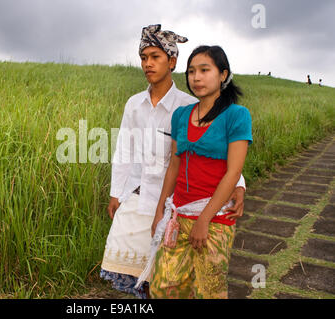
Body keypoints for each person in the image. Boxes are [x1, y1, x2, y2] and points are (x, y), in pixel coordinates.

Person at [99, 25, 247, 299]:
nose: (148, 64)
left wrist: (239, 184)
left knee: (171, 276)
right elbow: (124, 151)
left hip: (173, 203)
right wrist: (115, 193)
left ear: (172, 61)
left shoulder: (190, 104)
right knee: (133, 271)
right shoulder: (135, 104)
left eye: (155, 57)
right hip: (139, 197)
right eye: (144, 57)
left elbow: (214, 151)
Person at [149, 45, 253, 299]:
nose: (196, 77)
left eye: (205, 70)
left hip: (215, 218)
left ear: (223, 75)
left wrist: (204, 219)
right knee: (164, 287)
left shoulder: (237, 116)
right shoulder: (181, 115)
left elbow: (233, 171)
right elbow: (174, 165)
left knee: (209, 289)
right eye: (192, 71)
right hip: (178, 214)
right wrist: (160, 210)